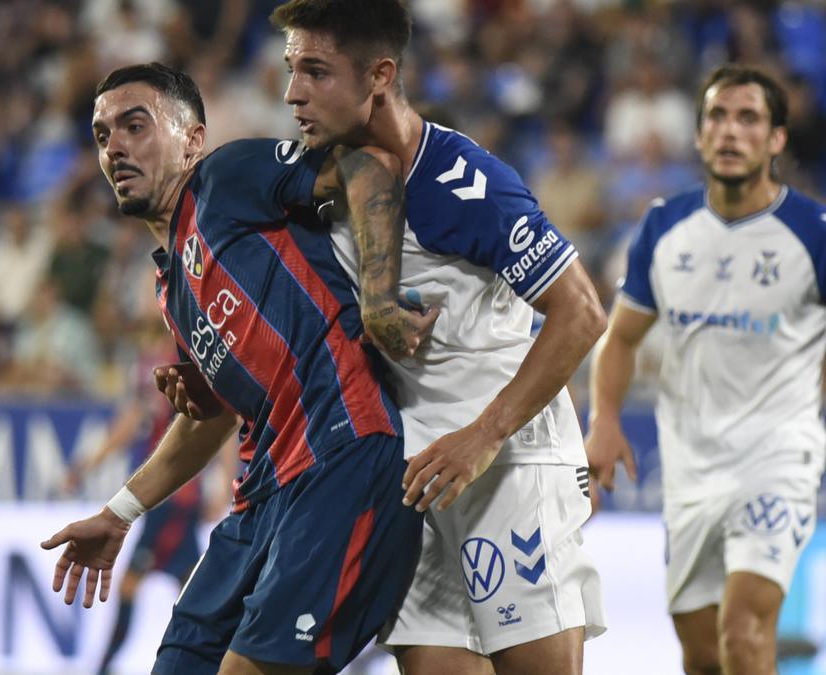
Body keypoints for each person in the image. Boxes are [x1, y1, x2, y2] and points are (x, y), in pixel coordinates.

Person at [40, 62, 429, 675]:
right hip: (263, 497)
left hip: (341, 458)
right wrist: (118, 512)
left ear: (193, 139)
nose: (114, 146)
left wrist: (380, 303)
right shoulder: (174, 291)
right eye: (102, 135)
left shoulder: (224, 179)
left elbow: (368, 165)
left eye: (135, 125)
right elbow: (211, 418)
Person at [268, 2, 607, 673]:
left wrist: (483, 435)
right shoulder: (317, 181)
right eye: (289, 69)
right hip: (412, 477)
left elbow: (582, 313)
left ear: (380, 75)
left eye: (314, 70)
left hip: (506, 462)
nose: (292, 92)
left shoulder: (462, 181)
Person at [586, 64, 825, 675]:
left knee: (744, 632)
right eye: (717, 116)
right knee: (701, 655)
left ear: (775, 140)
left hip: (777, 458)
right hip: (690, 467)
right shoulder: (666, 227)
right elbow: (620, 340)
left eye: (749, 118)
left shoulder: (812, 234)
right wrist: (604, 420)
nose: (730, 131)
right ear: (698, 136)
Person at [64, 314, 231, 675]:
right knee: (190, 589)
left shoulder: (167, 366)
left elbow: (219, 425)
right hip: (177, 496)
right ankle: (214, 664)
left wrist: (87, 465)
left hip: (170, 498)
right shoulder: (186, 361)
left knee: (138, 585)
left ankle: (107, 667)